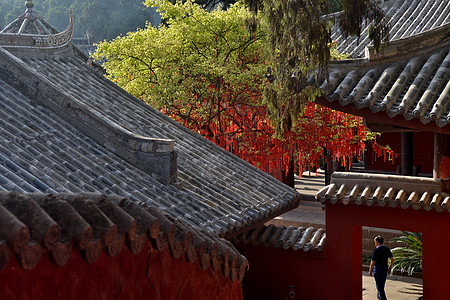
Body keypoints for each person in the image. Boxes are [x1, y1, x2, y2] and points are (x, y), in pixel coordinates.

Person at [369, 235, 394, 300]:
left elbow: (373, 262)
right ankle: (379, 296)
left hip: (377, 269)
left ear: (377, 242)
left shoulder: (376, 250)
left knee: (379, 285)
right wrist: (390, 267)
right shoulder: (387, 249)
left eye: (375, 241)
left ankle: (383, 298)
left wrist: (370, 270)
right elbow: (392, 258)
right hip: (384, 268)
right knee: (381, 284)